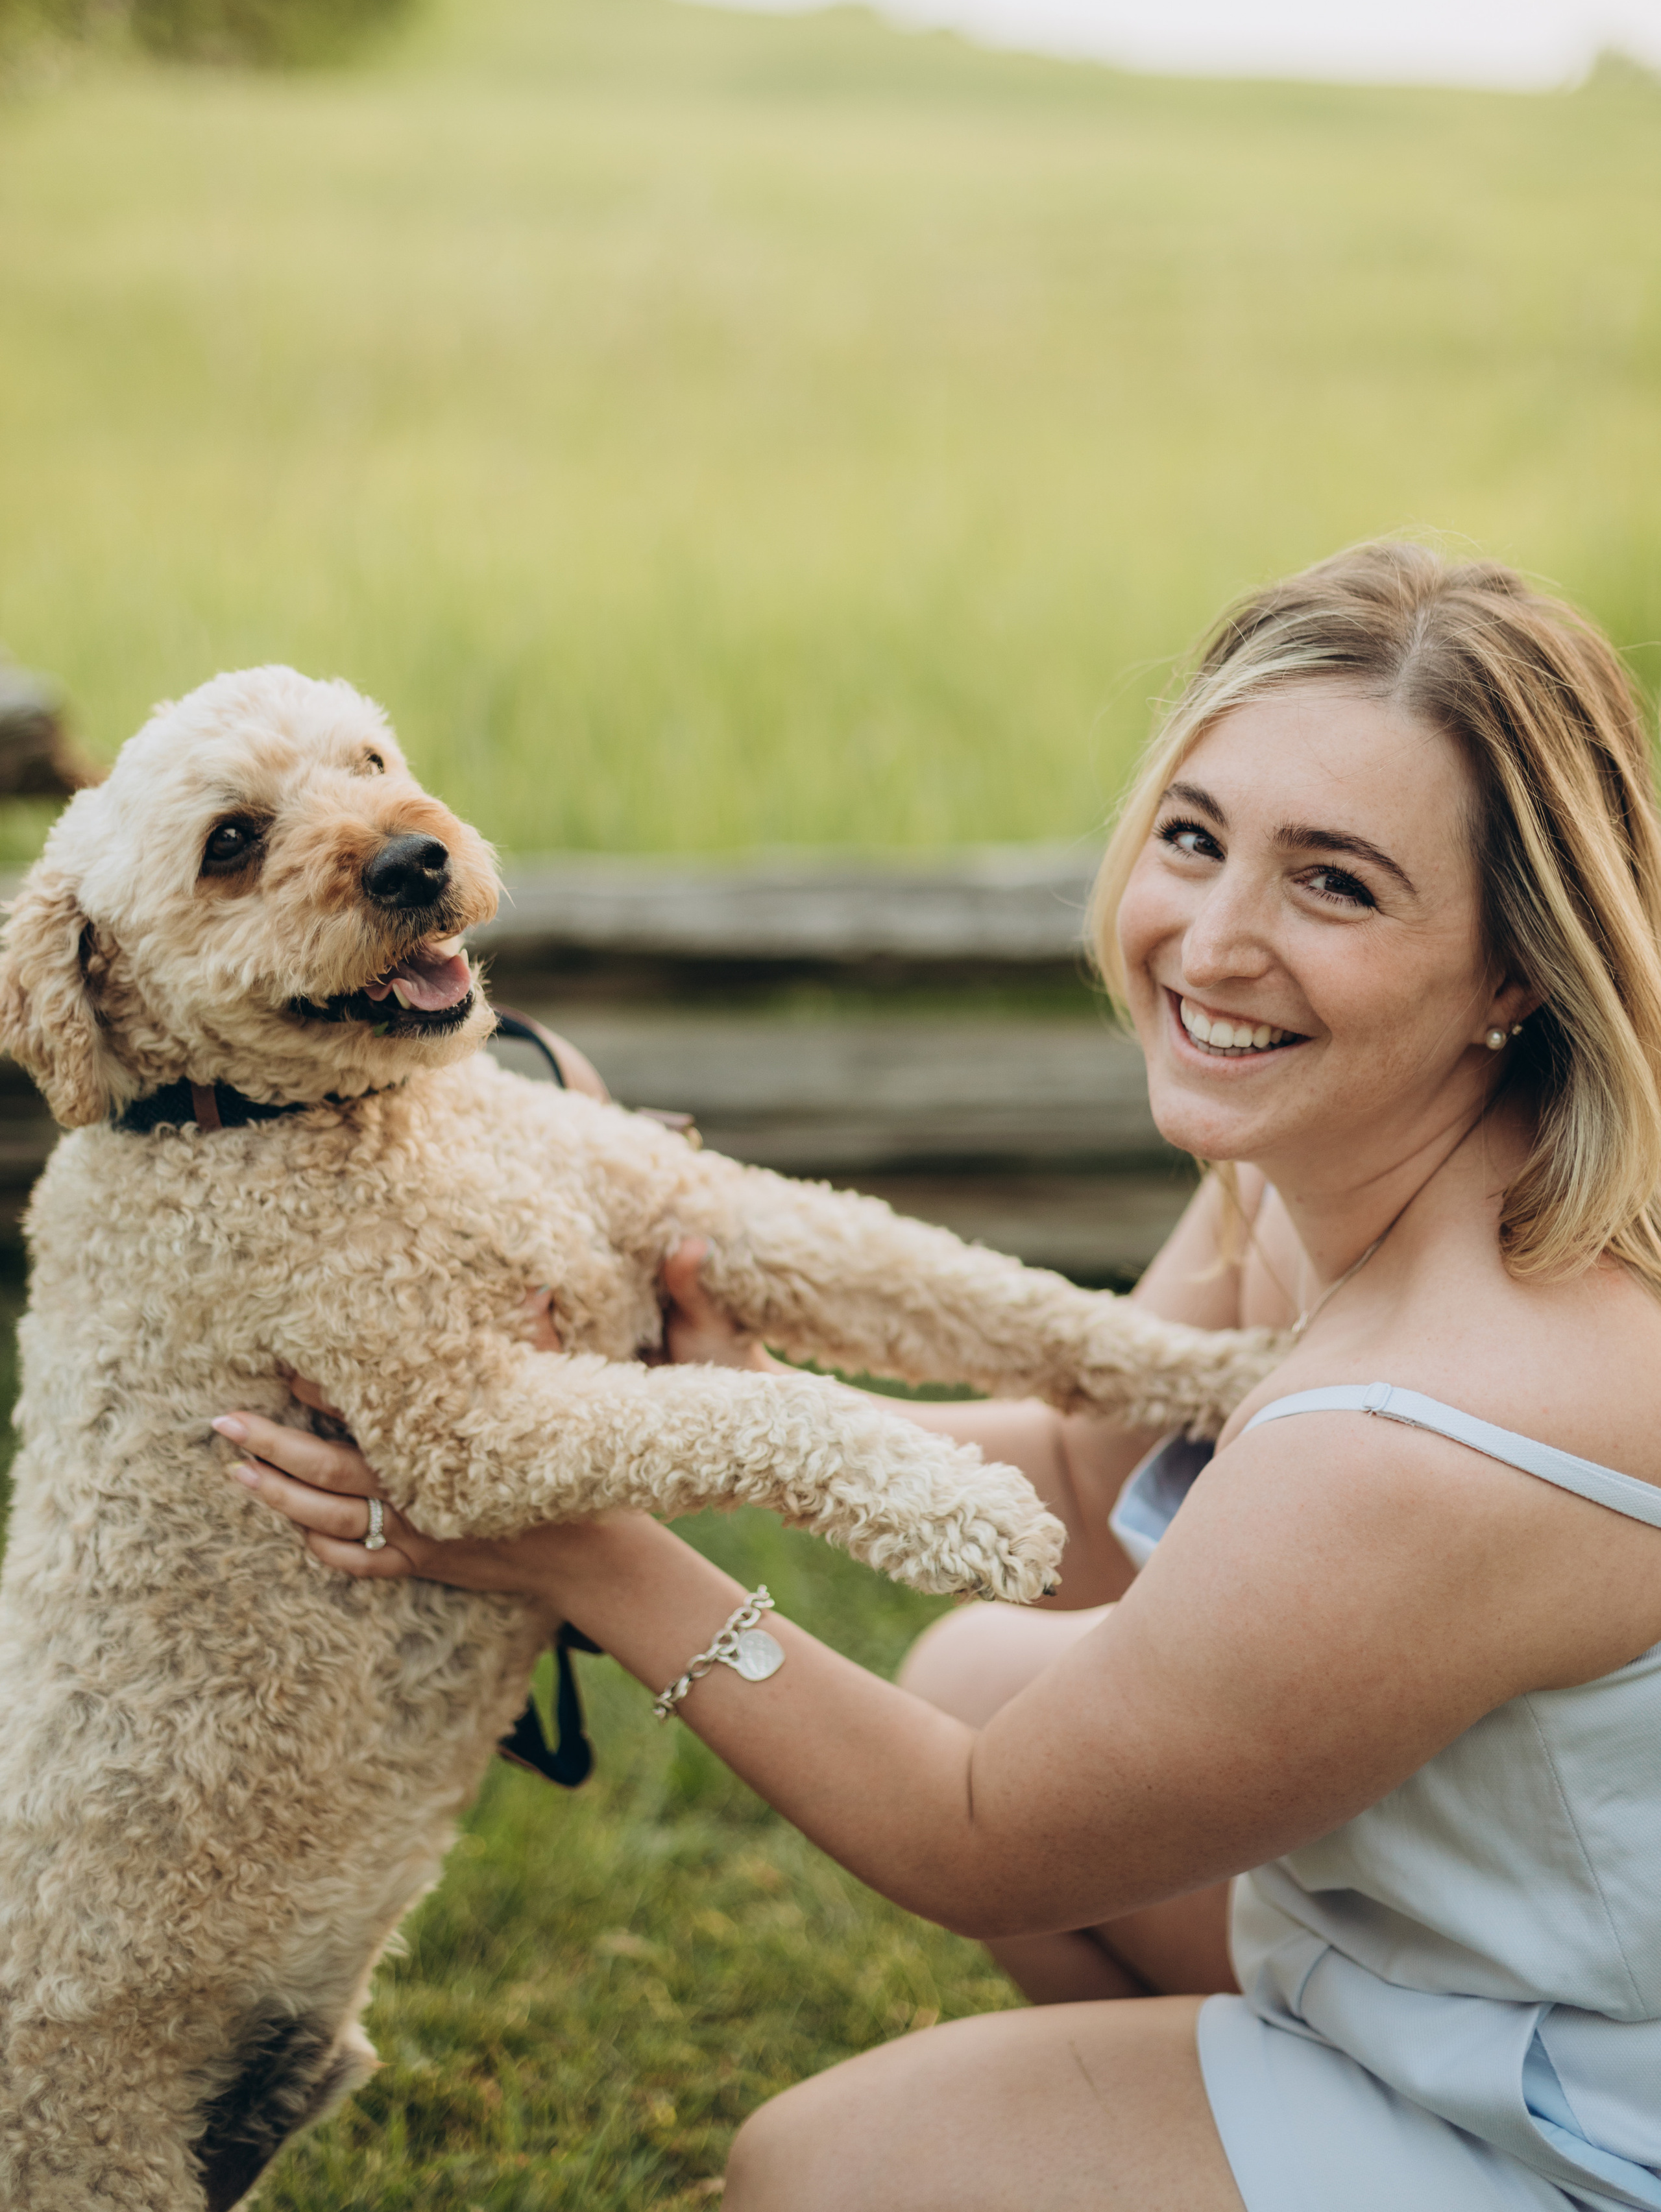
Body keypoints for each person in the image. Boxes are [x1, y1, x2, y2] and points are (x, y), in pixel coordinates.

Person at [220, 542, 1661, 2211]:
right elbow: (1093, 1495)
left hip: (1588, 2115)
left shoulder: (1437, 1433)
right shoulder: (1336, 1155)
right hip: (1465, 1977)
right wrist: (716, 1416)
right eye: (1194, 839)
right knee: (980, 1667)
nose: (1211, 943)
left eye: (1333, 885)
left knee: (820, 2174)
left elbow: (979, 1835)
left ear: (1513, 965)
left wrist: (585, 1552)